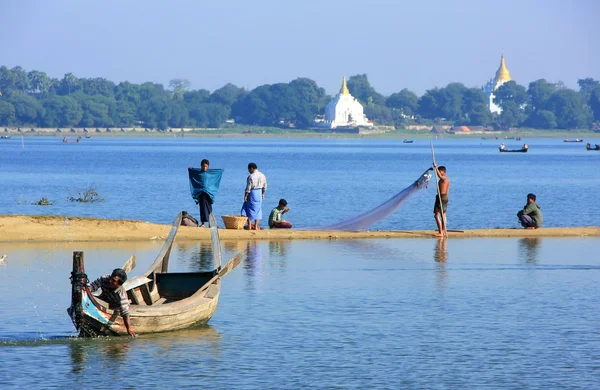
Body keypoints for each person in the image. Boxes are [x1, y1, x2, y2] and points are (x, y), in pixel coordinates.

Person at [88, 268, 136, 337]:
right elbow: (93, 286)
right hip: (104, 301)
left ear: (119, 284)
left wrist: (128, 328)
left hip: (115, 307)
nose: (110, 281)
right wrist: (87, 290)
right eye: (111, 277)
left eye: (114, 281)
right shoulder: (105, 279)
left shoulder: (121, 294)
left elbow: (125, 313)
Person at [188, 159, 224, 228]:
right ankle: (203, 223)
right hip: (201, 193)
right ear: (201, 166)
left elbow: (216, 173)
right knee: (202, 208)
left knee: (209, 208)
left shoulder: (209, 173)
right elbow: (193, 173)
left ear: (208, 166)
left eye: (206, 166)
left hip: (209, 193)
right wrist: (191, 169)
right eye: (203, 166)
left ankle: (211, 223)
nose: (204, 168)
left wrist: (220, 171)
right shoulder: (198, 173)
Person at [242, 162, 267, 230]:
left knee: (248, 208)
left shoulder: (251, 176)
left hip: (252, 193)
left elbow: (248, 188)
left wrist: (245, 196)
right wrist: (263, 193)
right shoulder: (263, 175)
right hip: (259, 193)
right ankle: (256, 226)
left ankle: (249, 225)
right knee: (258, 209)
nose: (249, 171)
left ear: (251, 168)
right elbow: (265, 186)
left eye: (249, 169)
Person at [432, 162, 450, 238]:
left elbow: (439, 176)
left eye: (440, 171)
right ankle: (443, 230)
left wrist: (435, 167)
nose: (438, 172)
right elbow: (448, 190)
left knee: (437, 215)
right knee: (443, 215)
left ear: (443, 172)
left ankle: (441, 232)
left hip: (442, 197)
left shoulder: (444, 178)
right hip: (445, 197)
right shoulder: (447, 180)